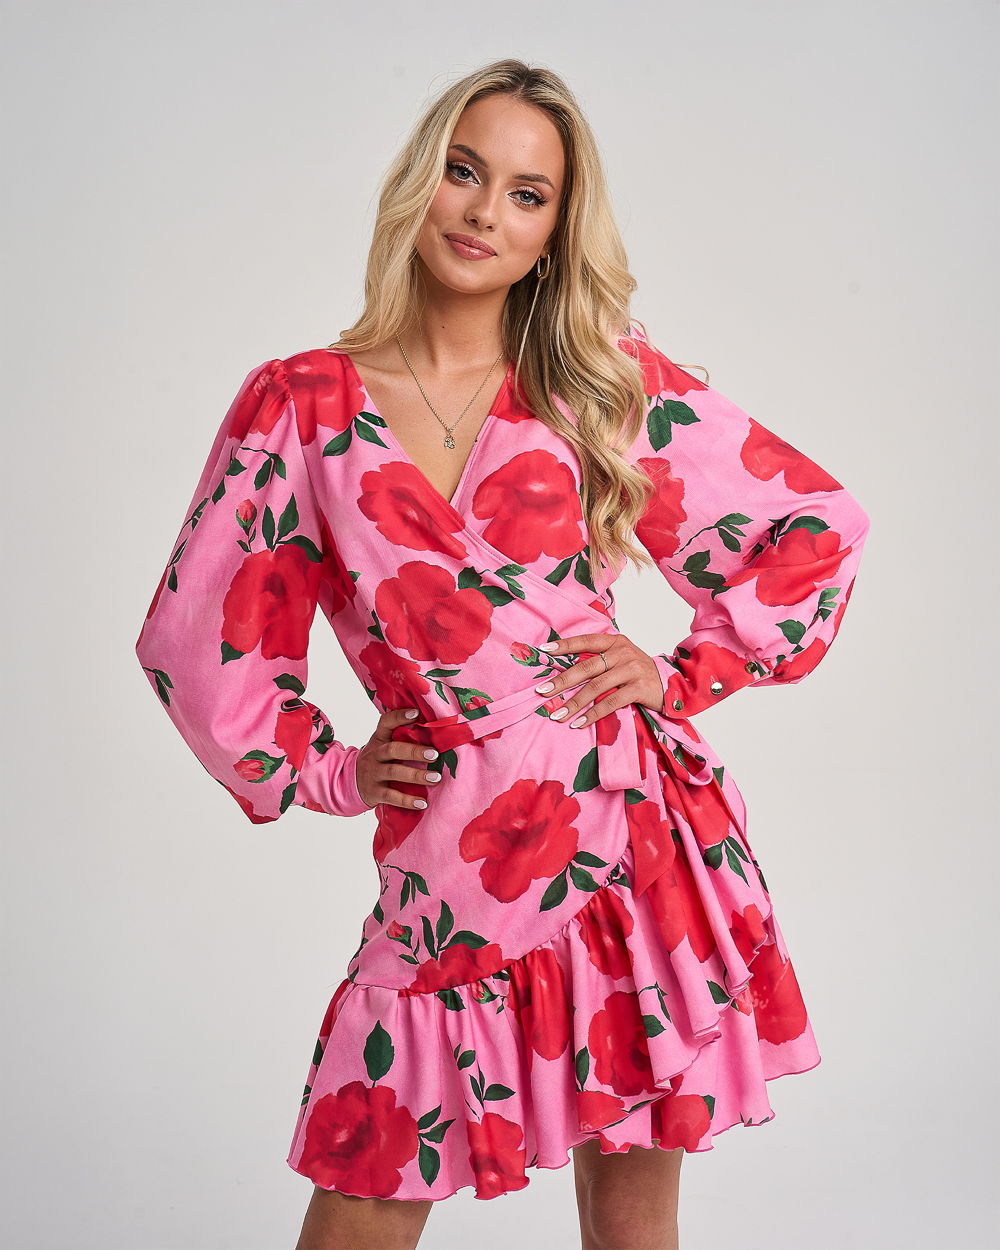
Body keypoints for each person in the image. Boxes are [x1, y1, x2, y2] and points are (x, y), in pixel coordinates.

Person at [135, 58, 869, 1250]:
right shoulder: (301, 404)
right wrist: (329, 768)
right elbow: (197, 631)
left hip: (628, 829)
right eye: (464, 172)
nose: (484, 212)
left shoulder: (594, 380)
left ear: (552, 232)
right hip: (451, 848)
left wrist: (680, 672)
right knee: (365, 1186)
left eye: (527, 194)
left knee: (630, 1229)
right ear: (418, 182)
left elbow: (810, 525)